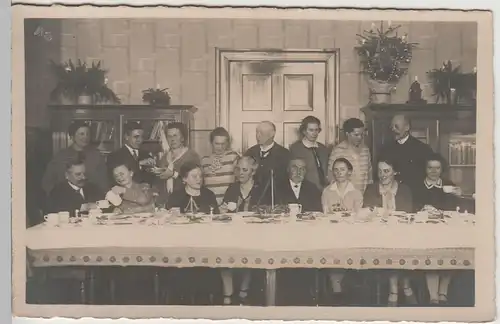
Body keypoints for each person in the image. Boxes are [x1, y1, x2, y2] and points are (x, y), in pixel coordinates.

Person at [363, 159, 415, 306]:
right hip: (378, 233)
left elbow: (406, 213)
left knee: (401, 242)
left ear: (395, 172)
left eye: (386, 171)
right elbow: (369, 212)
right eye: (379, 171)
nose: (382, 175)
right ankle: (400, 287)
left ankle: (400, 287)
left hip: (401, 231)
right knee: (390, 243)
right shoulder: (371, 189)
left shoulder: (405, 190)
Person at [414, 153, 463, 305]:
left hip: (447, 228)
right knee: (431, 255)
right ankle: (433, 295)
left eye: (437, 168)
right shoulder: (418, 186)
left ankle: (443, 291)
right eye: (430, 168)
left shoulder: (448, 184)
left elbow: (456, 209)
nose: (434, 171)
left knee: (452, 253)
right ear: (425, 169)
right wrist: (422, 209)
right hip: (425, 229)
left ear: (442, 169)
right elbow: (412, 208)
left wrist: (459, 196)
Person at [219, 156, 261, 305]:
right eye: (238, 169)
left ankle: (244, 290)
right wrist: (222, 210)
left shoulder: (261, 188)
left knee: (250, 252)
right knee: (223, 251)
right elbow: (224, 211)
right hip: (233, 231)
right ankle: (227, 292)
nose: (240, 173)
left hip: (254, 232)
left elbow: (267, 213)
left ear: (253, 171)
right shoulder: (232, 188)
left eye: (245, 170)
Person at [322, 158, 363, 304]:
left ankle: (343, 286)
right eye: (336, 170)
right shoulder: (327, 191)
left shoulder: (356, 192)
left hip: (351, 232)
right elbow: (325, 214)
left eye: (343, 169)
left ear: (349, 172)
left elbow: (358, 216)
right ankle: (336, 287)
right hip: (332, 231)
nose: (339, 173)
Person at [42, 121, 108, 195]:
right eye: (81, 134)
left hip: (92, 198)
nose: (85, 137)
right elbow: (48, 182)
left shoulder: (96, 155)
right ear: (72, 137)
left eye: (87, 134)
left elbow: (103, 182)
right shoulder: (61, 156)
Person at [378, 114, 434, 192]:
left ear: (407, 127)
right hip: (392, 196)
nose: (393, 129)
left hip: (414, 196)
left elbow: (430, 175)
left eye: (396, 126)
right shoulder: (385, 149)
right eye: (392, 127)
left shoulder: (422, 149)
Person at [244, 121, 290, 203]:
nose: (257, 136)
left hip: (276, 201)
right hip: (253, 200)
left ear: (272, 134)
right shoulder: (250, 152)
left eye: (261, 133)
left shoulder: (285, 154)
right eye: (257, 132)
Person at [155, 122, 201, 205]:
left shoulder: (191, 156)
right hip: (165, 202)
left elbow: (196, 181)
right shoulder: (163, 158)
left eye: (175, 135)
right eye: (169, 136)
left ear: (182, 138)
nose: (172, 139)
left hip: (185, 200)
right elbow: (159, 182)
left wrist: (173, 174)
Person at [328, 118, 372, 193]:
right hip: (345, 197)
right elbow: (331, 176)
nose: (360, 138)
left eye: (362, 134)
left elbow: (369, 173)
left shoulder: (365, 150)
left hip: (363, 197)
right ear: (347, 134)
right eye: (356, 135)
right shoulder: (337, 151)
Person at [107, 122, 156, 186]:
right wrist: (139, 163)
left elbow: (152, 177)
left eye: (142, 137)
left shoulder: (146, 154)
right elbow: (116, 178)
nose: (140, 140)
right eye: (136, 137)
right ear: (126, 137)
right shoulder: (114, 156)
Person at [289, 116, 330, 190]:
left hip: (324, 189)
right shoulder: (296, 149)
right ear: (304, 131)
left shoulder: (323, 149)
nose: (314, 133)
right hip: (305, 190)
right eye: (311, 130)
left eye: (316, 130)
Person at [201, 127, 239, 205]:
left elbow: (239, 181)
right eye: (217, 144)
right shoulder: (204, 160)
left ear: (227, 143)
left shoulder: (233, 157)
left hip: (228, 203)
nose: (220, 147)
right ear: (211, 143)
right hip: (210, 204)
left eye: (223, 144)